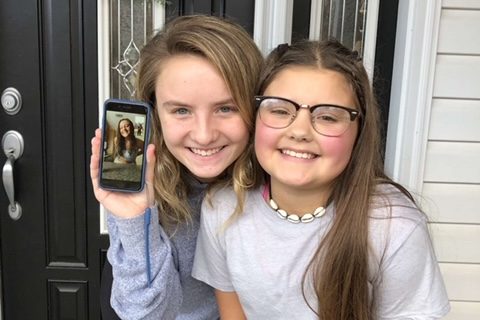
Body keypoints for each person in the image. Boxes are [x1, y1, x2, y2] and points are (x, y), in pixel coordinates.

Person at [192, 40, 450, 319]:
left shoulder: (392, 226)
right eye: (279, 110)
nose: (300, 131)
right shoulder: (224, 209)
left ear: (359, 131)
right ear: (255, 118)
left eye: (328, 116)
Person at [90, 15, 263, 319]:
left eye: (226, 108)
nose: (204, 134)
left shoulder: (277, 180)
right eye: (181, 110)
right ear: (155, 113)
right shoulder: (141, 183)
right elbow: (146, 314)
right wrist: (134, 220)